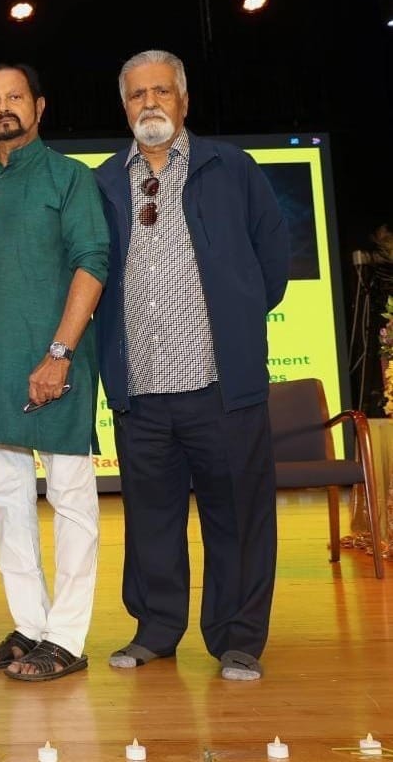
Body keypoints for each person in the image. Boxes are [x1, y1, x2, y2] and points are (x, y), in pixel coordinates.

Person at [94, 49, 287, 681]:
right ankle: (156, 630)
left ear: (184, 99)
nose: (149, 103)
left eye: (161, 91)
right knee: (151, 522)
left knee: (237, 518)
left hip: (219, 387)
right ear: (124, 106)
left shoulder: (230, 167)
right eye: (136, 94)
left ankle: (238, 639)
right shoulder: (103, 181)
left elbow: (272, 260)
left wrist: (236, 315)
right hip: (141, 392)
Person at [0, 64, 108, 682]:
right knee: (5, 501)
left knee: (70, 499)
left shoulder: (70, 177)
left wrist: (59, 354)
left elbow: (92, 263)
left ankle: (66, 636)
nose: (3, 108)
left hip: (54, 364)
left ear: (39, 106)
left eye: (15, 97)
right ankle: (31, 626)